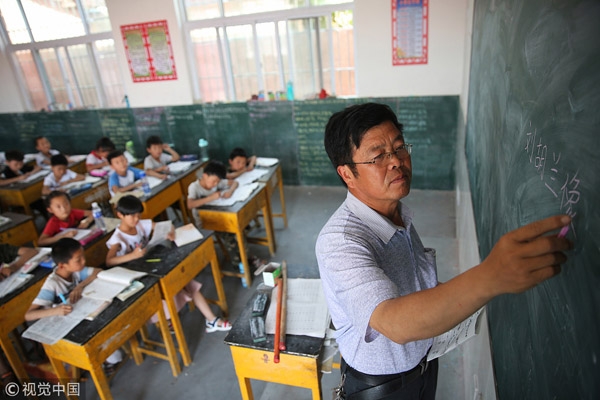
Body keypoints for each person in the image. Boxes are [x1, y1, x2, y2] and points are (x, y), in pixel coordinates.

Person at [315, 103, 572, 400]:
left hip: (424, 365)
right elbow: (393, 322)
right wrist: (490, 276)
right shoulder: (341, 241)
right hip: (381, 387)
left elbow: (416, 289)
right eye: (378, 156)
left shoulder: (396, 214)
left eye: (399, 148)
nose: (396, 162)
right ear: (347, 174)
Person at [105, 195, 231, 332]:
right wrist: (132, 255)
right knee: (166, 291)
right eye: (132, 216)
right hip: (139, 277)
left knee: (186, 280)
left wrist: (170, 232)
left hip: (152, 265)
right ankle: (168, 319)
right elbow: (109, 261)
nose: (136, 219)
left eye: (138, 215)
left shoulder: (140, 224)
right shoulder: (118, 238)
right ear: (120, 215)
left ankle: (211, 320)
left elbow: (166, 225)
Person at [24, 238, 123, 372]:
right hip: (59, 326)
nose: (83, 261)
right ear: (61, 265)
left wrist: (80, 286)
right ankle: (103, 359)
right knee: (101, 334)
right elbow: (29, 315)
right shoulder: (52, 284)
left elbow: (97, 271)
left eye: (83, 256)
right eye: (78, 260)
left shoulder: (75, 271)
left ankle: (107, 356)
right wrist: (56, 311)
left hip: (76, 316)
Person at [187, 160, 238, 228]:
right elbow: (190, 205)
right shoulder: (194, 187)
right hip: (203, 221)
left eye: (218, 181)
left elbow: (235, 182)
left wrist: (230, 191)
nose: (216, 184)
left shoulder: (216, 182)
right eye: (214, 181)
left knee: (233, 222)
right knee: (229, 225)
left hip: (218, 215)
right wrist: (211, 198)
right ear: (205, 176)